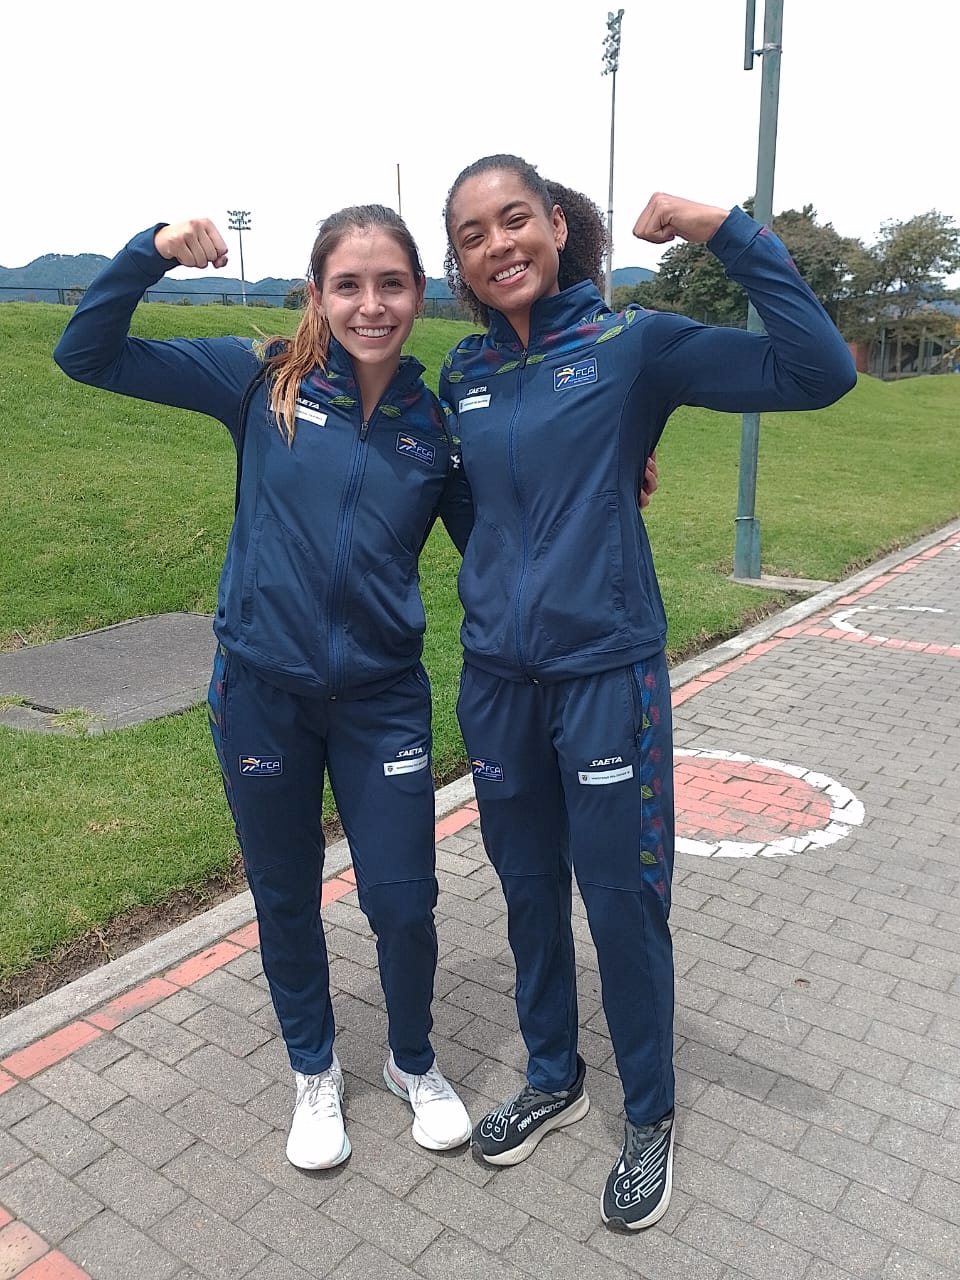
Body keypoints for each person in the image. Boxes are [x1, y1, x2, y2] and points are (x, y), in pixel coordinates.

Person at [439, 155, 857, 1231]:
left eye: (516, 219)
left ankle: (650, 1113)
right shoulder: (465, 373)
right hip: (498, 684)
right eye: (475, 233)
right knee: (529, 888)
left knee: (622, 902)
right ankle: (551, 1074)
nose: (500, 245)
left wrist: (728, 229)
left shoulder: (636, 345)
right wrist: (499, 576)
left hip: (605, 677)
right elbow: (472, 499)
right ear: (462, 260)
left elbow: (818, 371)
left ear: (556, 227)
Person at [53, 206, 477, 1171]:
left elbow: (500, 536)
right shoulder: (260, 377)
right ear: (316, 294)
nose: (372, 306)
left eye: (393, 285)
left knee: (404, 898)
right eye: (349, 286)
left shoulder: (431, 423)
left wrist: (620, 470)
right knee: (285, 894)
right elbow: (89, 353)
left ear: (420, 292)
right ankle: (314, 1070)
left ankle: (413, 1062)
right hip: (261, 693)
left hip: (381, 700)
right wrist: (150, 252)